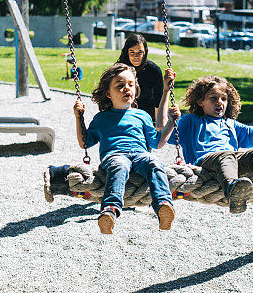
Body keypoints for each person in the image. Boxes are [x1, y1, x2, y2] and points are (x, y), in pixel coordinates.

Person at [158, 70, 253, 214]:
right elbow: (162, 128)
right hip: (204, 164)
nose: (219, 102)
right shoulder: (191, 121)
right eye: (213, 98)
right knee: (226, 156)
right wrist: (166, 92)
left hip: (231, 161)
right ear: (200, 101)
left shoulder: (231, 124)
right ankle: (233, 190)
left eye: (223, 99)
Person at [74, 63, 177, 234]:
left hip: (140, 155)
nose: (126, 89)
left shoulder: (142, 115)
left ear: (136, 89)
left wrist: (172, 123)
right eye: (120, 86)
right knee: (120, 165)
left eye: (130, 84)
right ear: (108, 93)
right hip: (115, 155)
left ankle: (163, 206)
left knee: (154, 162)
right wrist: (79, 118)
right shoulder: (101, 118)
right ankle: (110, 210)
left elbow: (157, 143)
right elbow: (85, 142)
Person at [117, 34, 164, 126]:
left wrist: (158, 124)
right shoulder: (119, 70)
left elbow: (159, 99)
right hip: (124, 112)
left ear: (145, 52)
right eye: (132, 52)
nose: (136, 56)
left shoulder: (153, 70)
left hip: (148, 113)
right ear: (127, 52)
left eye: (140, 52)